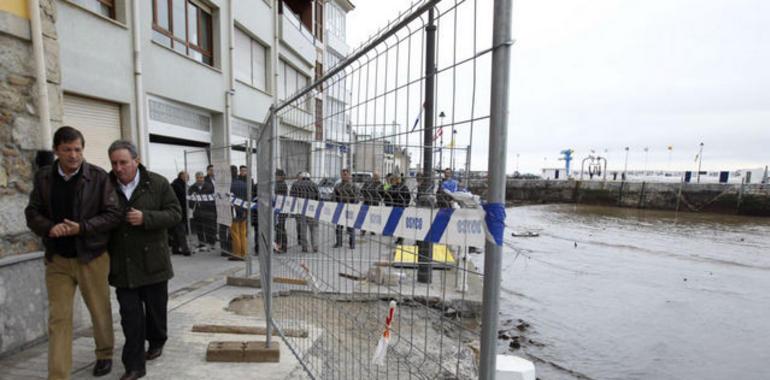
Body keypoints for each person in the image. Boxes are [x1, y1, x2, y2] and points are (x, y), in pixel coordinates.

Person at [25, 126, 122, 379]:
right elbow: (32, 213)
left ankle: (104, 353)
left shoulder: (99, 177)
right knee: (59, 318)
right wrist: (50, 227)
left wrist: (82, 228)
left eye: (78, 149)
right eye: (67, 149)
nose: (73, 155)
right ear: (57, 150)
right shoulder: (44, 177)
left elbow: (113, 215)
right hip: (57, 259)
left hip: (91, 256)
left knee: (99, 310)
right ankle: (58, 374)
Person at [107, 140, 181, 380]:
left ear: (136, 161)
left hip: (154, 263)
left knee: (156, 311)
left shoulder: (157, 183)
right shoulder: (105, 185)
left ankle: (157, 340)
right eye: (114, 163)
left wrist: (146, 217)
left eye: (123, 162)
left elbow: (175, 214)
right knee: (131, 318)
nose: (118, 168)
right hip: (123, 265)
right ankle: (134, 366)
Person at [290, 172, 320, 252]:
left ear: (301, 177)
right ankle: (315, 246)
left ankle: (305, 247)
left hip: (301, 209)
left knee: (303, 228)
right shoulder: (314, 184)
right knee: (314, 228)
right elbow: (318, 197)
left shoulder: (295, 184)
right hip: (312, 209)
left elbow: (292, 197)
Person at [188, 172, 217, 248]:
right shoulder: (192, 188)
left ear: (203, 178)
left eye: (201, 178)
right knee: (199, 227)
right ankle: (201, 243)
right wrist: (193, 204)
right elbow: (189, 200)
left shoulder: (210, 186)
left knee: (209, 227)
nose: (199, 179)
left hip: (208, 210)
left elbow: (214, 198)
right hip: (197, 210)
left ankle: (211, 242)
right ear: (195, 178)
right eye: (198, 178)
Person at [333, 168, 360, 249]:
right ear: (341, 175)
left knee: (351, 227)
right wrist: (336, 204)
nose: (344, 175)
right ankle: (338, 243)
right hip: (340, 208)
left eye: (346, 174)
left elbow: (357, 197)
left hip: (350, 208)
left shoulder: (354, 186)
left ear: (349, 175)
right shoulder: (337, 186)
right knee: (338, 227)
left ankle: (352, 244)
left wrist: (352, 204)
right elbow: (334, 196)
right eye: (343, 174)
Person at [384, 172, 411, 245]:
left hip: (400, 207)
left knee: (400, 224)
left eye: (394, 179)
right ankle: (399, 238)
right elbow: (386, 193)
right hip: (395, 206)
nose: (393, 180)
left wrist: (405, 205)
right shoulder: (392, 186)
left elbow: (408, 197)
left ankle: (400, 238)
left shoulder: (402, 187)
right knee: (397, 223)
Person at [169, 171, 192, 256]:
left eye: (188, 176)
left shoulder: (181, 185)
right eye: (186, 176)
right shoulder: (177, 185)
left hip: (180, 210)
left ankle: (175, 248)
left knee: (177, 231)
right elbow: (182, 198)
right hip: (179, 210)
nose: (187, 178)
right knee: (181, 230)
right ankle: (185, 249)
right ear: (181, 176)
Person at [229, 165, 247, 260]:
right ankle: (244, 253)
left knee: (235, 233)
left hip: (233, 212)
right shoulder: (244, 184)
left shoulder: (228, 185)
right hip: (243, 210)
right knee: (243, 233)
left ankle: (237, 254)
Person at [274, 169, 289, 252]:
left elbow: (277, 196)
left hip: (281, 210)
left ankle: (282, 246)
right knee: (279, 228)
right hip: (280, 209)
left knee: (280, 228)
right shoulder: (281, 184)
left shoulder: (281, 185)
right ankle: (279, 245)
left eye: (276, 176)